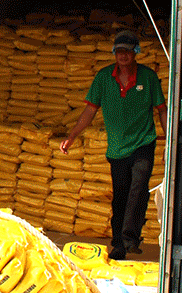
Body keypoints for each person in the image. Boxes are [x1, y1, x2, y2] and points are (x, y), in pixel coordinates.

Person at [60, 30, 167, 260]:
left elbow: (162, 110)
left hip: (143, 143)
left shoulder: (148, 77)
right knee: (120, 196)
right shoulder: (103, 78)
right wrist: (72, 135)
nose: (123, 55)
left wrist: (170, 141)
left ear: (135, 52)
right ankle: (119, 244)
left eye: (127, 51)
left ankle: (130, 239)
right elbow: (90, 110)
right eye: (119, 51)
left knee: (138, 188)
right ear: (114, 53)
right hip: (117, 149)